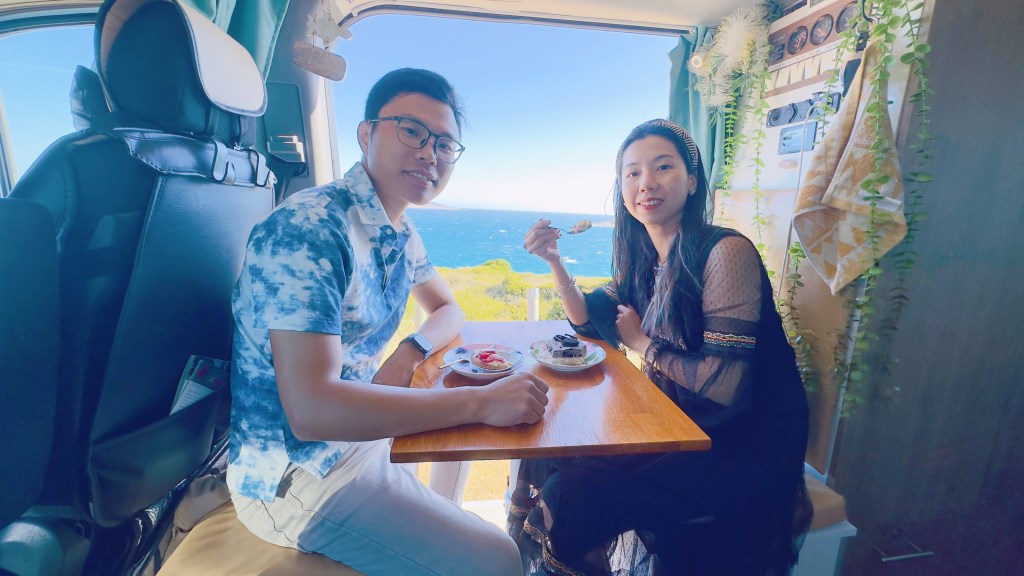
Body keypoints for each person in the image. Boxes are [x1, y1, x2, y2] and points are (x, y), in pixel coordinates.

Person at [227, 68, 549, 576]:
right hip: (295, 474)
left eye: (445, 144)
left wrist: (410, 350)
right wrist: (480, 401)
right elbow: (311, 410)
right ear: (366, 134)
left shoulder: (398, 229)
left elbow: (448, 309)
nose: (430, 154)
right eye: (412, 131)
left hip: (360, 441)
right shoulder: (311, 226)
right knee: (498, 559)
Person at [516, 119, 810, 576]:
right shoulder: (645, 259)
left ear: (692, 181)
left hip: (741, 442)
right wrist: (554, 261)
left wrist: (642, 344)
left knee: (574, 493)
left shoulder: (725, 251)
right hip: (678, 421)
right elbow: (587, 318)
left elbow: (724, 386)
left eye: (663, 167)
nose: (646, 183)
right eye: (632, 173)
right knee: (552, 448)